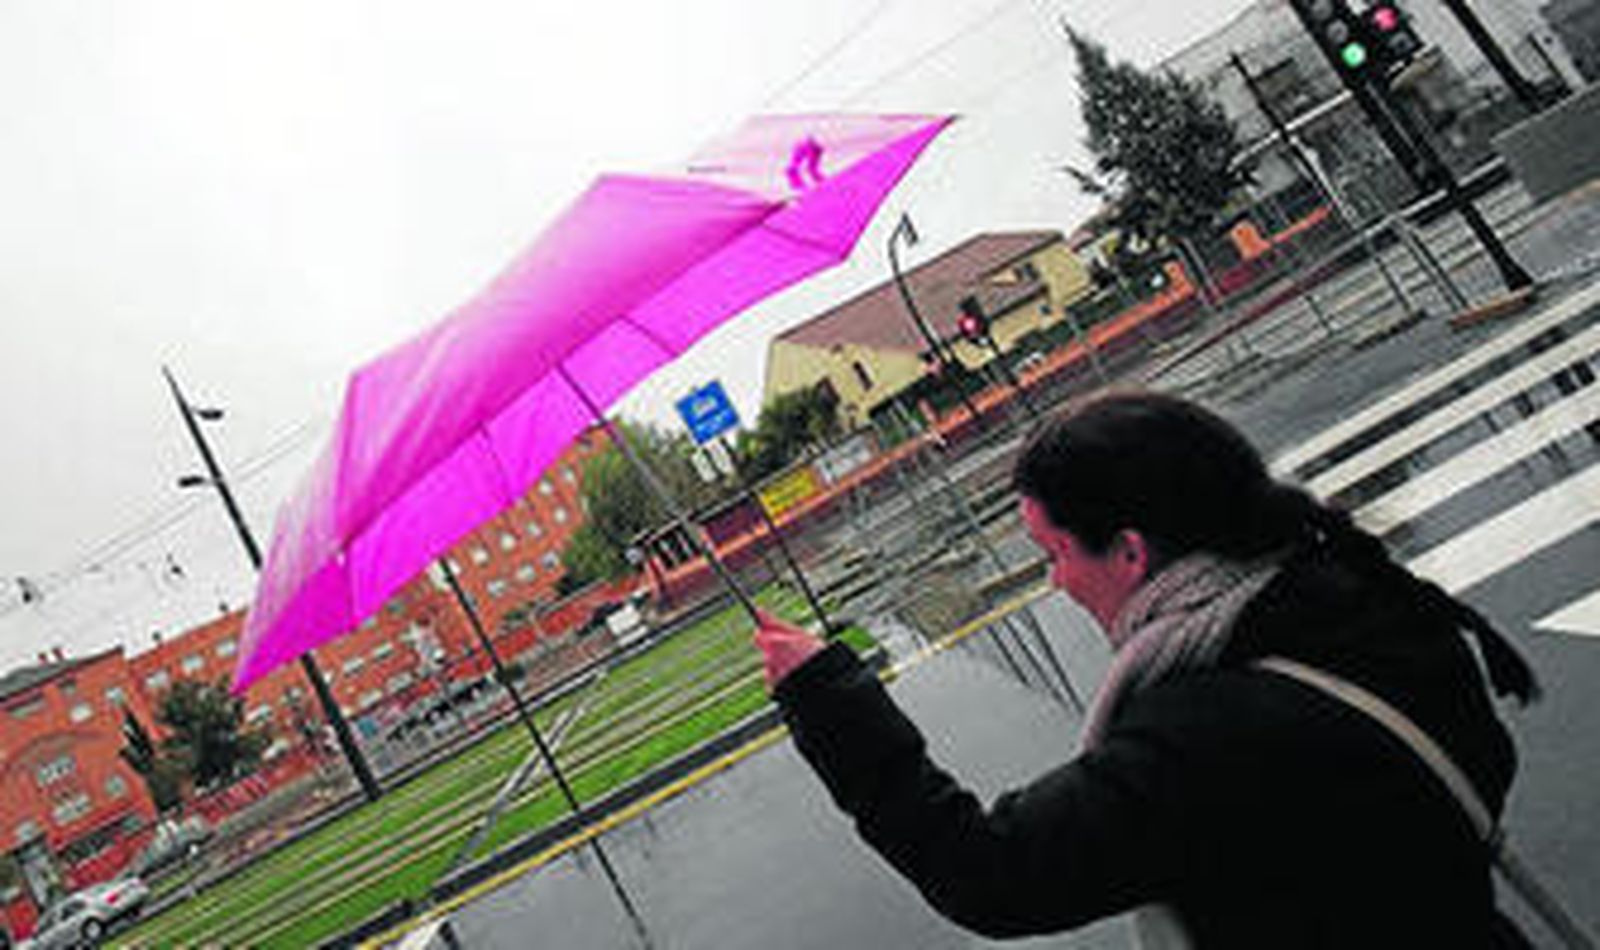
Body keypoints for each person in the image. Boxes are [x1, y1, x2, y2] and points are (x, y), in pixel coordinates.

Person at [754, 391, 1538, 948]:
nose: (1054, 581)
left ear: (1130, 551)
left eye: (1055, 553)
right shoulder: (1358, 596)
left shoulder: (1203, 739)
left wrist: (827, 698)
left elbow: (990, 871)